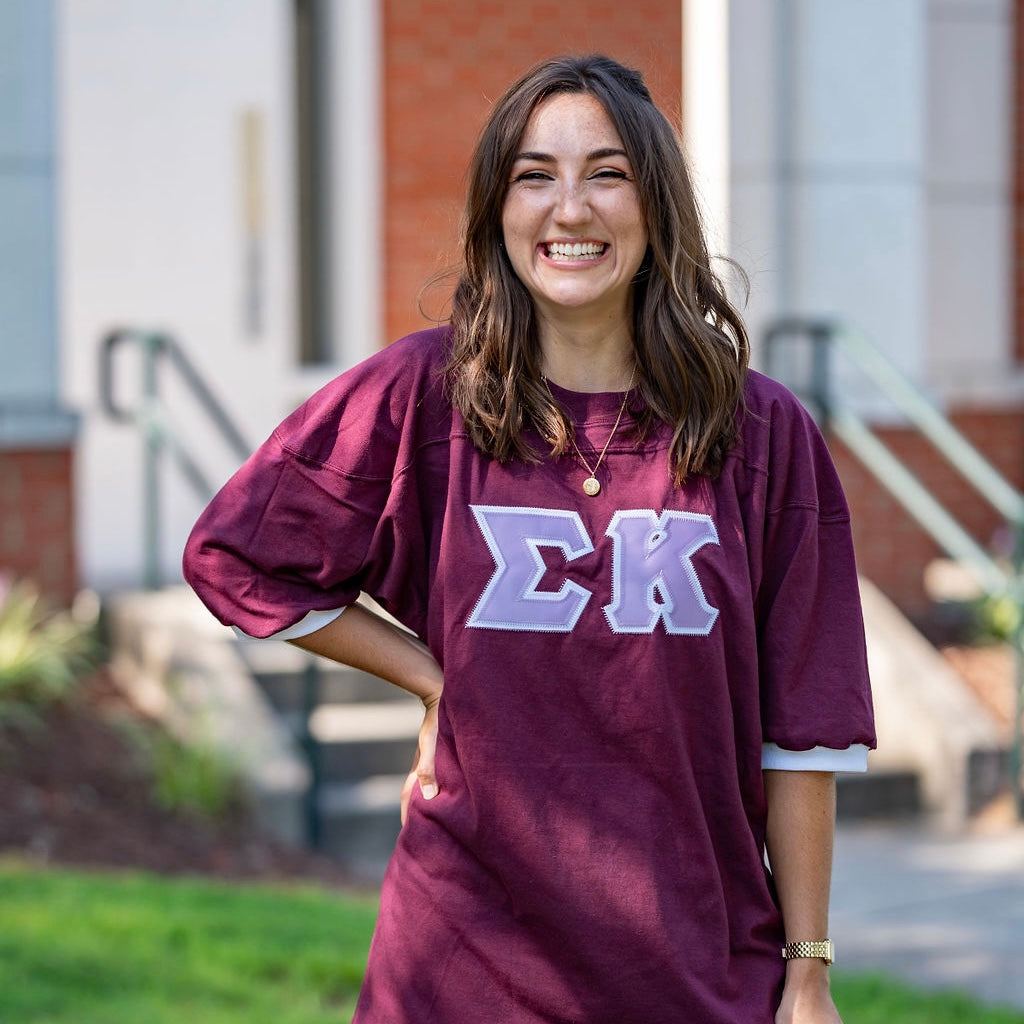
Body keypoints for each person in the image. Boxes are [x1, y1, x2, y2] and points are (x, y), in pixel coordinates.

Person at [184, 53, 875, 1024]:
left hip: (694, 965)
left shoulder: (757, 433)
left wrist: (806, 970)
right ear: (496, 208)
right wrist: (431, 673)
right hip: (462, 959)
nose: (569, 208)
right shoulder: (421, 397)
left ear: (658, 205)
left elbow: (803, 724)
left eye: (606, 173)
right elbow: (239, 553)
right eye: (533, 175)